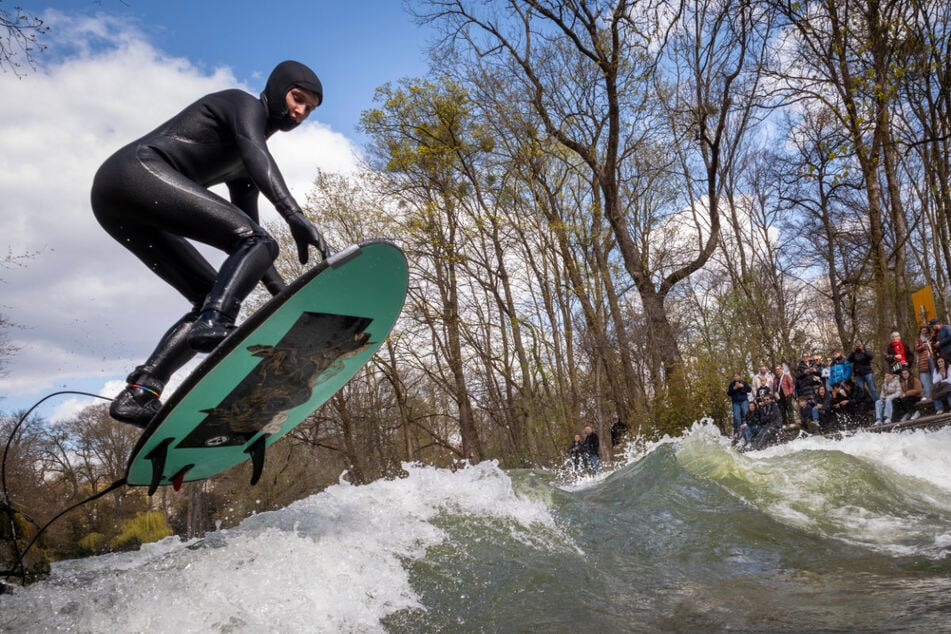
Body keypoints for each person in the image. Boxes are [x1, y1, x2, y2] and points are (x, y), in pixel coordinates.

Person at [93, 61, 330, 427]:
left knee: (213, 290)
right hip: (132, 172)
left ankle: (142, 391)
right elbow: (256, 153)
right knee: (251, 251)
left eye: (309, 109)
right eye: (297, 98)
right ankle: (215, 323)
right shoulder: (242, 105)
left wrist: (283, 296)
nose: (300, 112)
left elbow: (249, 236)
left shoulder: (245, 165)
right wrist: (294, 216)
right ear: (277, 88)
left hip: (119, 207)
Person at [727, 373, 752, 440]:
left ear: (740, 377)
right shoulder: (731, 384)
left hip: (744, 401)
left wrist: (742, 386)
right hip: (736, 403)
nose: (736, 377)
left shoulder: (744, 383)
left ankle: (747, 431)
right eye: (734, 376)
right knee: (736, 417)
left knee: (745, 415)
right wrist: (734, 388)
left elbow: (749, 390)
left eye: (737, 376)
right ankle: (737, 433)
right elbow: (729, 393)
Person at [914, 326, 934, 401]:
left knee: (935, 375)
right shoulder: (918, 339)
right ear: (921, 331)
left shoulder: (932, 337)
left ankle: (938, 392)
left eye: (925, 330)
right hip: (923, 359)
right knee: (924, 377)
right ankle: (926, 394)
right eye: (923, 330)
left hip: (933, 358)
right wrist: (923, 346)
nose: (924, 331)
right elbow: (916, 349)